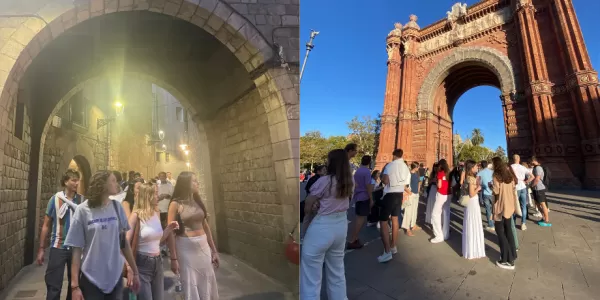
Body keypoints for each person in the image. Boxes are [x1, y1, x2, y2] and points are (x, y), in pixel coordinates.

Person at [65, 170, 140, 299]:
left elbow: (124, 243)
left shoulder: (117, 207)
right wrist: (75, 286)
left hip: (115, 278)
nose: (117, 184)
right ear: (102, 185)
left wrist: (134, 271)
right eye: (113, 181)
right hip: (91, 278)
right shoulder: (83, 210)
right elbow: (76, 250)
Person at [300, 149, 353, 299]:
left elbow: (308, 204)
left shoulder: (325, 180)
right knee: (337, 271)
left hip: (323, 225)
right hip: (341, 225)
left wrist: (312, 208)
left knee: (311, 276)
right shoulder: (349, 181)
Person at [167, 172, 219, 300]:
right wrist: (174, 259)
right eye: (194, 181)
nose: (197, 183)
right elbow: (170, 232)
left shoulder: (197, 201)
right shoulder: (175, 204)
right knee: (190, 283)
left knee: (206, 279)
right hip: (185, 249)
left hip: (203, 247)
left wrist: (214, 250)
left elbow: (206, 227)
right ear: (185, 184)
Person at [127, 182, 179, 300]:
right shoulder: (136, 215)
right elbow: (125, 242)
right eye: (155, 193)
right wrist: (129, 267)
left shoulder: (157, 212)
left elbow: (158, 241)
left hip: (158, 262)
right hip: (141, 264)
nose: (158, 196)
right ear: (148, 195)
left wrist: (169, 228)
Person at [37, 169, 82, 300]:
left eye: (78, 180)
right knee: (53, 285)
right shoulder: (55, 200)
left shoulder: (81, 201)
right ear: (65, 182)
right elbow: (46, 225)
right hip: (58, 247)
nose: (77, 183)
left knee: (74, 285)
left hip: (76, 248)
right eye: (74, 180)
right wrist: (41, 248)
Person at [378, 149, 411, 263]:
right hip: (399, 194)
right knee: (395, 219)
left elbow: (386, 181)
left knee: (383, 222)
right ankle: (393, 246)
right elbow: (406, 183)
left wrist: (382, 178)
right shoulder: (406, 167)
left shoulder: (390, 165)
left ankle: (387, 252)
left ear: (394, 155)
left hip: (389, 195)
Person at [491, 157, 518, 270]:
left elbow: (496, 191)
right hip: (509, 207)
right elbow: (513, 190)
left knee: (500, 233)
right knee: (509, 231)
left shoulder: (496, 176)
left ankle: (508, 260)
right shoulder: (510, 176)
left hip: (500, 207)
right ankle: (513, 253)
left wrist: (491, 187)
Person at [347, 156, 374, 249]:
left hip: (358, 196)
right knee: (361, 219)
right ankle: (353, 239)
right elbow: (368, 185)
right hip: (364, 196)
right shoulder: (367, 172)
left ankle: (355, 238)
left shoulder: (358, 171)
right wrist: (371, 198)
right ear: (369, 162)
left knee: (358, 218)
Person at [462, 160, 486, 259]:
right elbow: (472, 194)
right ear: (472, 168)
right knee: (473, 223)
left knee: (472, 223)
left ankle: (472, 249)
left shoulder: (470, 177)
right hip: (472, 202)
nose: (477, 167)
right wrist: (478, 188)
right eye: (476, 166)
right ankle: (474, 249)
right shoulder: (470, 178)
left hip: (472, 203)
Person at [510, 154, 533, 230]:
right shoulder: (522, 167)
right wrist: (526, 182)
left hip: (515, 187)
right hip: (523, 186)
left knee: (514, 206)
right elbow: (532, 176)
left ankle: (513, 222)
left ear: (513, 159)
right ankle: (523, 223)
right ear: (519, 159)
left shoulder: (510, 167)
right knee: (523, 206)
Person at [431, 159, 451, 243]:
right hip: (448, 194)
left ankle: (438, 235)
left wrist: (436, 182)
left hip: (441, 194)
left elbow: (439, 185)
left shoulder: (440, 172)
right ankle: (445, 234)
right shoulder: (448, 173)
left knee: (435, 214)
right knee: (446, 214)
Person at [401, 162, 422, 236]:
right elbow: (404, 185)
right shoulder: (409, 174)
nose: (418, 168)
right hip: (411, 194)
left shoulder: (416, 174)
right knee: (408, 211)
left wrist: (418, 189)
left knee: (414, 210)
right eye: (418, 167)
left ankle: (413, 225)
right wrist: (409, 192)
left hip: (416, 194)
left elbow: (419, 182)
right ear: (415, 167)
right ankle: (407, 228)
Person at [530, 156, 551, 227]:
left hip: (539, 188)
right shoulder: (535, 167)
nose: (530, 162)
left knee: (542, 204)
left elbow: (537, 178)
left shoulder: (538, 168)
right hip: (536, 188)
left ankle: (547, 220)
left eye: (531, 161)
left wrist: (532, 185)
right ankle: (543, 217)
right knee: (537, 204)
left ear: (534, 160)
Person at [477, 160, 495, 231]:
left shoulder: (479, 173)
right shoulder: (492, 172)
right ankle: (497, 222)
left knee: (488, 210)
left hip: (485, 193)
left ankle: (491, 225)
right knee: (495, 209)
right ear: (487, 165)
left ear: (481, 165)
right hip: (493, 192)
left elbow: (478, 183)